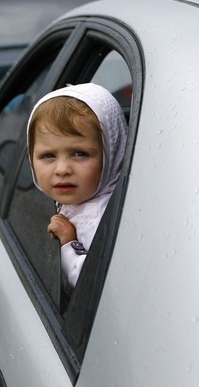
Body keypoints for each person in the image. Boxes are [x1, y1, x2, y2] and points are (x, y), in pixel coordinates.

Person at [26, 83, 127, 292]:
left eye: (79, 154)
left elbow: (95, 286)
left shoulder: (101, 220)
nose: (62, 169)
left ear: (112, 153)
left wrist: (69, 244)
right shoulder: (84, 196)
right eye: (48, 156)